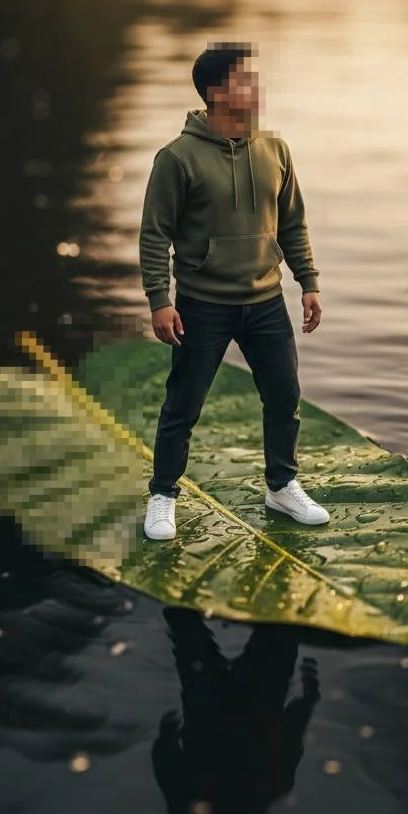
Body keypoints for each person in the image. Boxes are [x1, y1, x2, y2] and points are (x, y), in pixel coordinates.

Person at [138, 40, 330, 540]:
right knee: (184, 404)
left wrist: (308, 282)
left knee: (284, 397)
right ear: (219, 92)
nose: (257, 86)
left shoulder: (275, 149)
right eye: (247, 78)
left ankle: (282, 486)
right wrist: (159, 299)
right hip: (203, 305)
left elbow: (293, 223)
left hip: (266, 302)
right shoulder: (176, 159)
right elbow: (155, 232)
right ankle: (162, 494)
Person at [152, 606, 320, 814]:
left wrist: (306, 701)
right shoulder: (190, 808)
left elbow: (291, 735)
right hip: (219, 703)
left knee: (280, 619)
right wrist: (166, 736)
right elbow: (165, 761)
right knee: (187, 620)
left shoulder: (269, 790)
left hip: (235, 701)